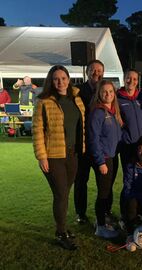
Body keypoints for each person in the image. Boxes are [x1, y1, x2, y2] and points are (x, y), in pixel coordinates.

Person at [32, 65, 85, 250]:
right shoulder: (44, 102)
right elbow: (37, 130)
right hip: (53, 156)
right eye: (56, 79)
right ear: (51, 81)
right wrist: (41, 157)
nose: (60, 82)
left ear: (69, 79)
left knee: (64, 194)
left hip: (73, 154)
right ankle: (61, 233)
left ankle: (62, 227)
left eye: (63, 78)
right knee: (61, 194)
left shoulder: (76, 98)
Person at [88, 80, 123, 239]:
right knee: (103, 193)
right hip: (104, 158)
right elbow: (93, 139)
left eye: (110, 91)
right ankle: (100, 226)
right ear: (99, 94)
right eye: (104, 92)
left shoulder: (113, 111)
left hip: (113, 157)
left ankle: (105, 218)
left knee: (108, 190)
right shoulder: (98, 112)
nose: (108, 94)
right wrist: (100, 161)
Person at [74, 59, 105, 224]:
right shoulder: (78, 90)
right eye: (93, 70)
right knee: (81, 180)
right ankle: (81, 213)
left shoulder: (106, 90)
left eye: (99, 71)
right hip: (84, 144)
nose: (96, 73)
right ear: (87, 72)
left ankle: (105, 212)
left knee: (104, 182)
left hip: (101, 145)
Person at [117, 69, 142, 225]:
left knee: (141, 178)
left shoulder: (140, 97)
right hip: (128, 146)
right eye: (129, 78)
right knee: (128, 180)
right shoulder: (117, 97)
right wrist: (124, 137)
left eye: (135, 79)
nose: (131, 81)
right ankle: (124, 214)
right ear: (124, 79)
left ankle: (138, 212)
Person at [121, 135, 142, 236]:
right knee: (130, 202)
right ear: (137, 151)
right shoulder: (131, 166)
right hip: (135, 200)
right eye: (141, 151)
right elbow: (127, 189)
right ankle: (130, 233)